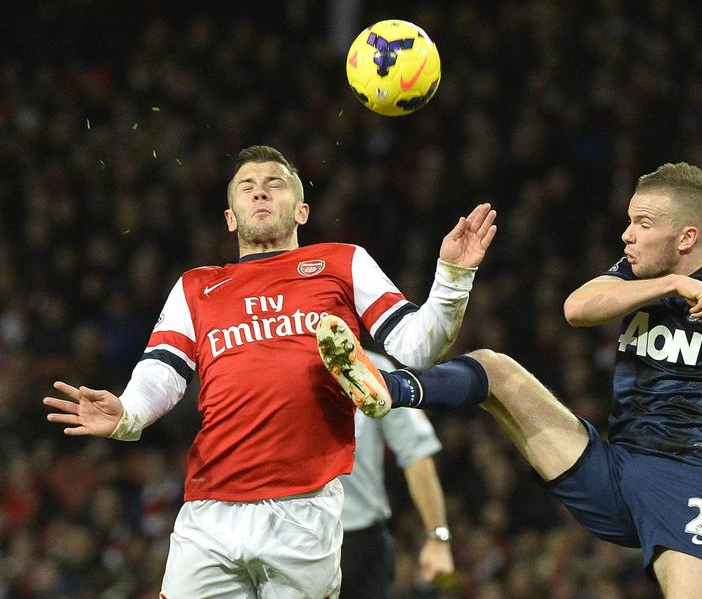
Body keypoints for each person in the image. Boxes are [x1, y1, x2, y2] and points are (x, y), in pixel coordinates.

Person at [317, 162, 702, 599]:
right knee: (493, 368)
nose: (627, 235)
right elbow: (577, 308)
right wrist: (671, 285)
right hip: (613, 468)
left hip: (686, 479)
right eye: (629, 220)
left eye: (643, 225)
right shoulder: (636, 275)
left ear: (687, 237)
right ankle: (388, 387)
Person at [43, 145, 496, 598]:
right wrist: (127, 414)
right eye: (247, 187)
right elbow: (163, 369)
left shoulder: (343, 262)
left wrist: (452, 278)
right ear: (230, 217)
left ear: (301, 211)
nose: (260, 191)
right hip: (210, 507)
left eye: (274, 184)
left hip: (304, 507)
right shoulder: (196, 286)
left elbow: (416, 346)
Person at [339, 351, 454, 599]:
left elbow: (416, 453)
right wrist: (437, 537)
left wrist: (438, 535)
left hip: (350, 541)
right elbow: (416, 454)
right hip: (341, 540)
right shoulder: (369, 366)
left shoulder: (371, 367)